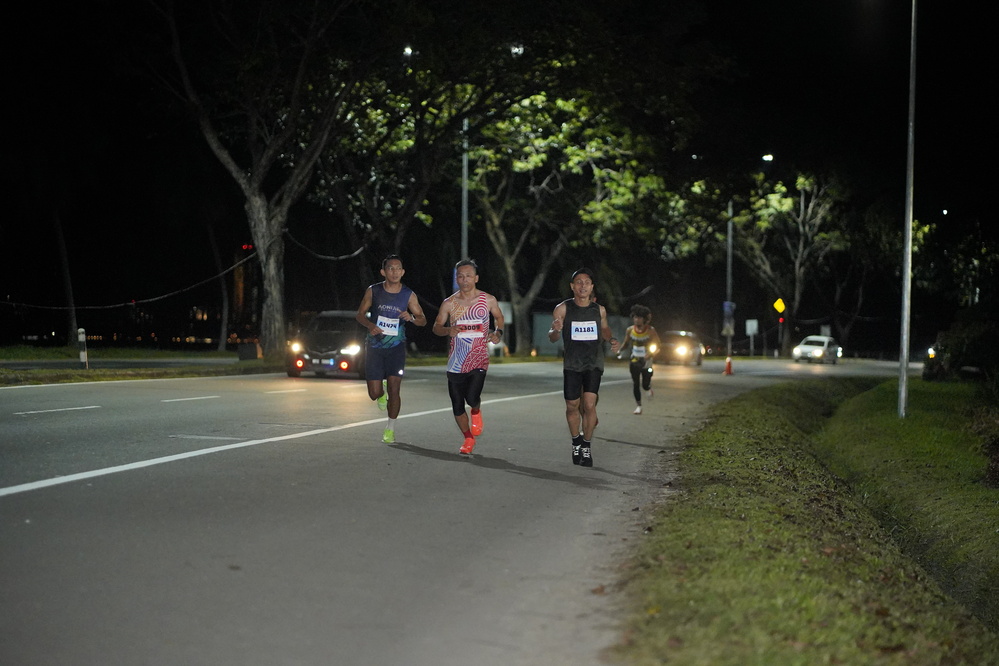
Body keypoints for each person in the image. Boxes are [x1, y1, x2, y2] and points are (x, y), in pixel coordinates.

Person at [432, 259, 505, 455]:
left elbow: (499, 318)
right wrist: (447, 330)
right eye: (461, 276)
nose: (464, 280)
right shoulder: (449, 303)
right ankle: (468, 438)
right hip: (456, 361)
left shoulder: (488, 300)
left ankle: (476, 409)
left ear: (476, 278)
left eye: (468, 276)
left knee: (472, 397)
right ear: (457, 279)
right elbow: (436, 327)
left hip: (478, 357)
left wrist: (498, 333)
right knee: (457, 405)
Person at [548, 268, 619, 467]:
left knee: (589, 404)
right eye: (578, 282)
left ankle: (586, 446)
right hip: (572, 364)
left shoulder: (599, 310)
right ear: (572, 286)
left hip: (593, 363)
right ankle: (576, 442)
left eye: (587, 282)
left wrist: (611, 339)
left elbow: (604, 329)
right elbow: (552, 337)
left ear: (592, 287)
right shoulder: (563, 309)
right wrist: (555, 330)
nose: (583, 286)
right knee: (572, 405)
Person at [354, 255, 427, 443]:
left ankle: (390, 429)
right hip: (375, 347)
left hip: (396, 348)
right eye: (391, 268)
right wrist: (370, 325)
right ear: (383, 272)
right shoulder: (374, 291)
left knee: (395, 389)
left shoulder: (408, 295)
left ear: (403, 272)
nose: (395, 272)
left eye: (398, 269)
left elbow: (423, 320)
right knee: (374, 393)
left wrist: (411, 318)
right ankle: (381, 393)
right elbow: (360, 314)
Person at [619, 304, 662, 415]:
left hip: (647, 360)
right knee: (636, 383)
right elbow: (626, 343)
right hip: (634, 359)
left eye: (639, 317)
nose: (637, 320)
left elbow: (658, 346)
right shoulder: (630, 330)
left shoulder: (651, 331)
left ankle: (648, 388)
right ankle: (639, 406)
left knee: (645, 383)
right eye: (635, 317)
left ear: (645, 319)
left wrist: (651, 354)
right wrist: (619, 350)